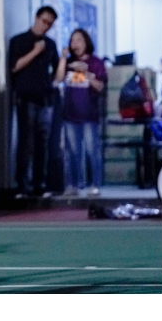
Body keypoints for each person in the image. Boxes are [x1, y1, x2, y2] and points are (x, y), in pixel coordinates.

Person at [9, 6, 59, 197]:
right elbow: (14, 67)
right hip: (26, 98)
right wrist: (35, 52)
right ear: (36, 18)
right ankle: (22, 185)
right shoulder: (19, 40)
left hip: (45, 98)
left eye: (50, 24)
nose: (46, 26)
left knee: (42, 144)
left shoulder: (50, 44)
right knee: (26, 143)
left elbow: (56, 70)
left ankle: (40, 184)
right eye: (44, 21)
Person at [55, 29, 107, 197]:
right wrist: (63, 58)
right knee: (72, 152)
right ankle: (73, 185)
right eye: (72, 41)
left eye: (78, 40)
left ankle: (95, 184)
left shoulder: (96, 62)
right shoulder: (69, 62)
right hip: (70, 115)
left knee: (92, 151)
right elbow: (58, 79)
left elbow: (100, 86)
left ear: (86, 42)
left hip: (89, 115)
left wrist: (86, 72)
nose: (75, 44)